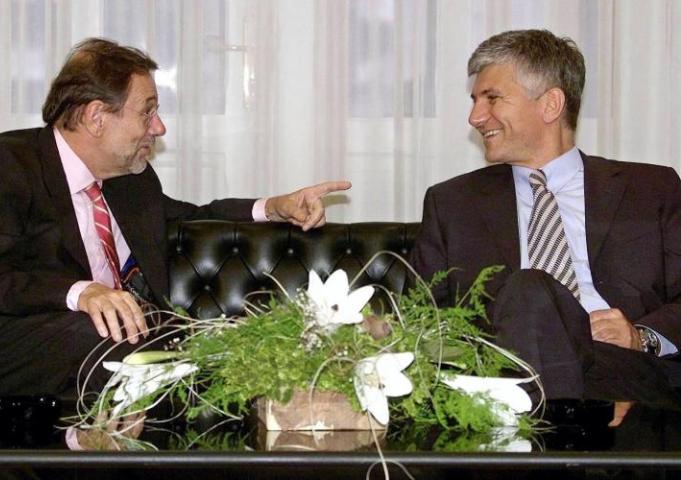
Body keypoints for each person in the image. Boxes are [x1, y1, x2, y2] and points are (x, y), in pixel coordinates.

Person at [0, 38, 350, 397]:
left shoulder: (130, 181)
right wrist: (81, 292)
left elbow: (192, 217)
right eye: (147, 112)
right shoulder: (11, 166)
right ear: (96, 117)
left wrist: (274, 206)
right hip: (25, 341)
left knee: (231, 346)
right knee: (119, 343)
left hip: (112, 344)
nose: (159, 128)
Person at [410, 29, 681, 414]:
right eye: (475, 101)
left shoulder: (651, 189)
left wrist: (643, 337)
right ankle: (562, 427)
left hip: (627, 375)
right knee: (530, 289)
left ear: (551, 104)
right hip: (505, 375)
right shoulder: (452, 204)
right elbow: (420, 321)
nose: (475, 117)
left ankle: (540, 431)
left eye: (492, 98)